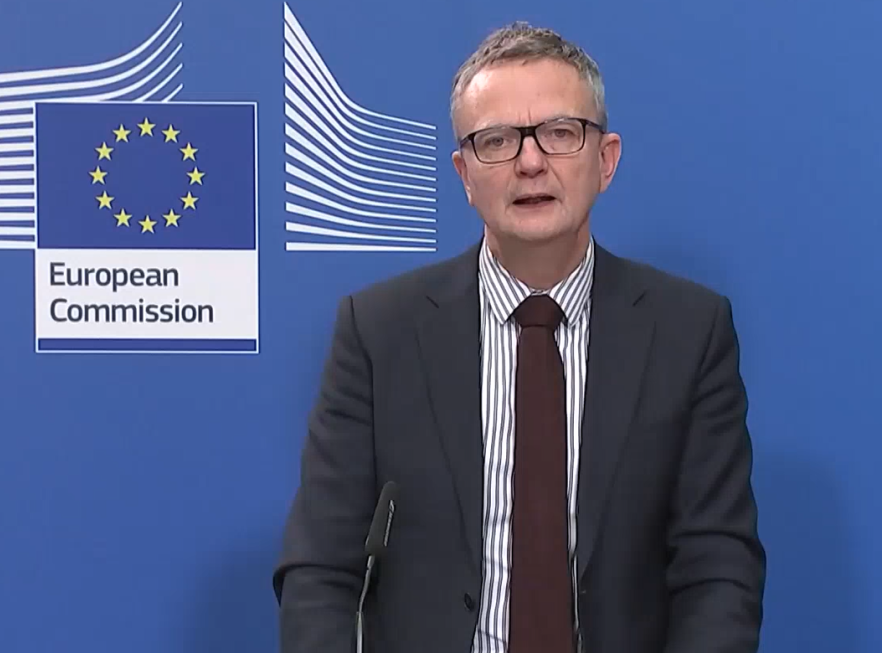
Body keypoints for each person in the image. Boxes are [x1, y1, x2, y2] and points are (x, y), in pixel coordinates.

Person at [273, 21, 766, 653]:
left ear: (606, 159)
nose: (530, 163)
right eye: (497, 140)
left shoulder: (688, 332)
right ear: (464, 173)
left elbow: (718, 566)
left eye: (560, 133)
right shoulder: (378, 331)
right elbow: (320, 566)